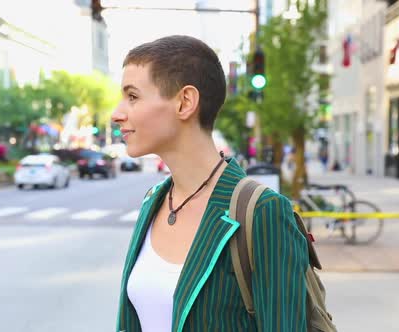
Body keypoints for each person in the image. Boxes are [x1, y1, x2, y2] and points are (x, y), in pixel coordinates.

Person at [113, 35, 308, 332]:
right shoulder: (153, 201)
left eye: (133, 96)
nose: (117, 113)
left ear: (185, 102)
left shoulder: (262, 212)